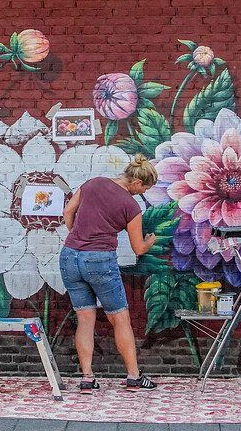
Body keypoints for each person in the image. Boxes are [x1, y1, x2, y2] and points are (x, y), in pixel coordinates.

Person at [59, 154, 159, 394]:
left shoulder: (93, 182)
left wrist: (79, 237)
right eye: (144, 188)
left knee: (85, 319)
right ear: (136, 183)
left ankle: (87, 378)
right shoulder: (131, 206)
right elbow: (137, 248)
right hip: (100, 260)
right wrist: (150, 242)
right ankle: (134, 377)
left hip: (70, 256)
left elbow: (67, 212)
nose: (141, 193)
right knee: (119, 318)